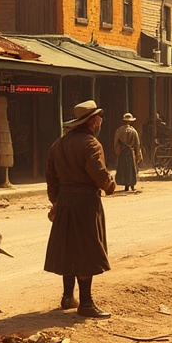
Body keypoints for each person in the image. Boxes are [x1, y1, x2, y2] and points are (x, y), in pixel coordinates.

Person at [45, 100, 117, 319]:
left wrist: (56, 201)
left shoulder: (58, 144)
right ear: (92, 121)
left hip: (65, 201)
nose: (101, 122)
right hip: (85, 202)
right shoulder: (91, 144)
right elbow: (98, 173)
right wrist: (110, 186)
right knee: (86, 251)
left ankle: (68, 297)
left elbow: (50, 177)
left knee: (68, 249)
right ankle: (85, 303)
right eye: (99, 118)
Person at [113, 113, 143, 193]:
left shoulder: (119, 130)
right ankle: (132, 185)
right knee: (131, 168)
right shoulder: (134, 131)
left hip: (123, 152)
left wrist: (117, 151)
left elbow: (116, 142)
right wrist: (138, 153)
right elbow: (137, 143)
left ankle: (126, 186)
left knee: (123, 168)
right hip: (131, 152)